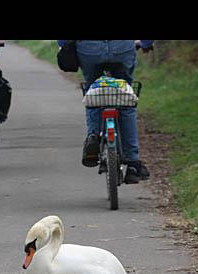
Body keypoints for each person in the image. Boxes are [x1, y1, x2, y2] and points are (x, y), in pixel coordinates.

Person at [59, 40, 153, 184]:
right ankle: (133, 163)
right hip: (122, 49)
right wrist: (145, 43)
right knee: (126, 101)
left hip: (90, 50)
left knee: (93, 93)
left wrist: (64, 44)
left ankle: (93, 137)